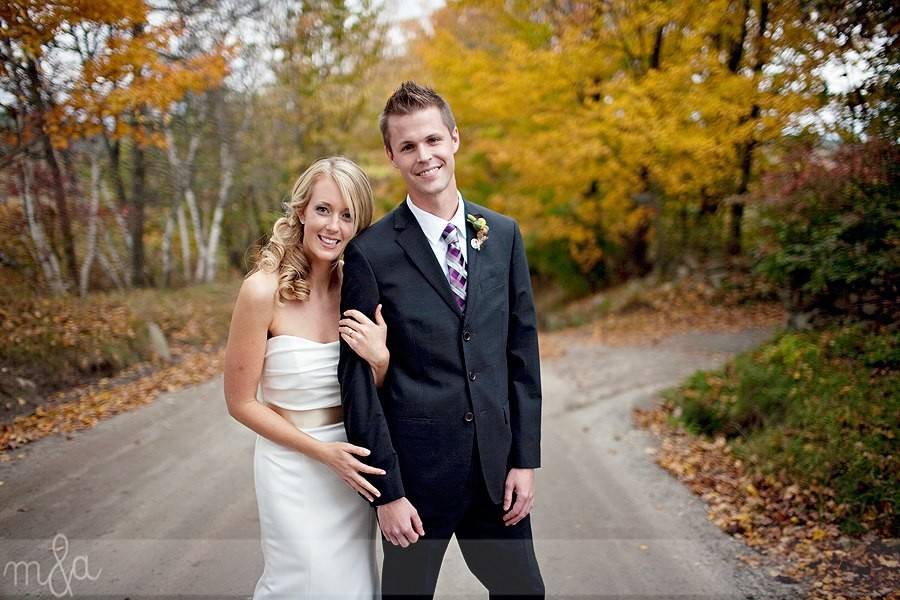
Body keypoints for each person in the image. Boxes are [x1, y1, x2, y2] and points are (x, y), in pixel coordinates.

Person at [338, 81, 545, 598]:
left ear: (454, 138)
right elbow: (357, 382)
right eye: (407, 146)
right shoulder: (371, 252)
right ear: (391, 156)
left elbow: (522, 355)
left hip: (497, 473)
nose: (423, 155)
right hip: (416, 478)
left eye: (432, 140)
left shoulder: (502, 234)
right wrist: (387, 493)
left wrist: (525, 458)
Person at [224, 156, 387, 599]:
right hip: (292, 465)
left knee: (354, 584)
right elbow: (240, 403)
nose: (333, 225)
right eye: (323, 209)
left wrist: (381, 360)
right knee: (304, 581)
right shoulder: (262, 290)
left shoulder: (359, 288)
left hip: (353, 461)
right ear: (300, 211)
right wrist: (321, 452)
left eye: (347, 215)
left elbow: (371, 393)